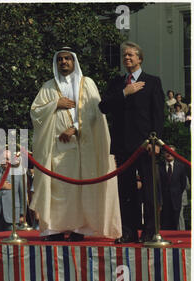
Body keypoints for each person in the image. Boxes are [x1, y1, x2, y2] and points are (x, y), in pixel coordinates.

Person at [30, 47, 121, 242]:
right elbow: (35, 113)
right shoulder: (48, 87)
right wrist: (55, 104)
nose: (63, 62)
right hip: (55, 150)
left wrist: (76, 128)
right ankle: (53, 229)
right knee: (57, 189)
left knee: (81, 189)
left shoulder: (86, 84)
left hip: (82, 148)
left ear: (74, 62)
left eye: (67, 59)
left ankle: (80, 228)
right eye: (60, 59)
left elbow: (95, 113)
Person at [99, 41, 165, 243]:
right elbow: (103, 106)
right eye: (124, 56)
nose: (127, 58)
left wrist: (156, 141)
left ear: (140, 58)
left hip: (146, 144)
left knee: (149, 190)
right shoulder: (117, 83)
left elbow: (158, 114)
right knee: (125, 191)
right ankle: (128, 231)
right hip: (123, 145)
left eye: (131, 55)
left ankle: (151, 231)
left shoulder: (152, 82)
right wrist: (124, 93)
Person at [0, 151, 24, 232]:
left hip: (12, 215)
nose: (5, 161)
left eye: (7, 159)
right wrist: (0, 186)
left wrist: (22, 214)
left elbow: (22, 195)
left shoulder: (17, 174)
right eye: (3, 158)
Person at [159, 146, 188, 230]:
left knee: (175, 225)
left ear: (175, 154)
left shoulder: (181, 167)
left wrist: (176, 193)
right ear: (164, 153)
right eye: (167, 152)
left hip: (176, 201)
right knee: (164, 225)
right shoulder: (159, 166)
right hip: (163, 201)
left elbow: (183, 184)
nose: (169, 154)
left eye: (171, 152)